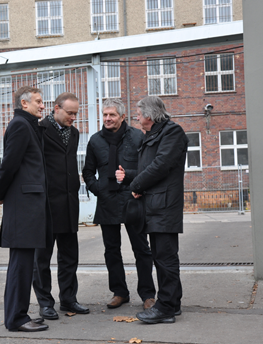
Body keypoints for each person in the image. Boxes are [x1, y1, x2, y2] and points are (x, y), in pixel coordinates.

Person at [119, 96, 188, 324]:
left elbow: (160, 166)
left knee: (165, 258)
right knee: (161, 257)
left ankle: (165, 308)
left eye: (138, 113)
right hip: (155, 205)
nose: (136, 117)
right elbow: (147, 168)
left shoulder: (172, 132)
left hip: (164, 206)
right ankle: (172, 303)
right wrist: (131, 176)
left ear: (149, 115)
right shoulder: (153, 135)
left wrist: (136, 185)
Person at [82, 98, 156, 310]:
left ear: (123, 117)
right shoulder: (95, 141)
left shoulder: (137, 137)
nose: (107, 118)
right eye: (105, 114)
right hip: (107, 202)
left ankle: (148, 295)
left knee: (141, 249)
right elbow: (87, 171)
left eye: (112, 115)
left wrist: (137, 186)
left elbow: (148, 167)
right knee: (111, 250)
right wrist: (98, 188)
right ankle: (120, 292)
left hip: (133, 199)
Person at [0, 86, 49, 332]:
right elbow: (9, 164)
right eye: (38, 101)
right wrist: (0, 193)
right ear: (24, 104)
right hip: (23, 205)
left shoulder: (28, 125)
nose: (42, 105)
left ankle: (20, 314)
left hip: (28, 204)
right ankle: (15, 319)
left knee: (24, 263)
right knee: (20, 264)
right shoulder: (20, 126)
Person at [33, 92, 90, 320]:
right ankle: (45, 303)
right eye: (69, 113)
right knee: (42, 259)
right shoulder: (40, 130)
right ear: (56, 108)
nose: (73, 117)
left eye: (76, 113)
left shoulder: (74, 133)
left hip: (69, 203)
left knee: (69, 256)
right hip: (46, 204)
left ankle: (69, 299)